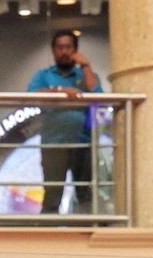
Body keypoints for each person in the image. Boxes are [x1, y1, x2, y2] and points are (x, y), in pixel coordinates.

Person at [26, 31, 101, 216]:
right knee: (52, 196)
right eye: (59, 47)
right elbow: (31, 96)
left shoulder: (85, 74)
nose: (64, 52)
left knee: (86, 194)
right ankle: (46, 240)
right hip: (53, 144)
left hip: (83, 144)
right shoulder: (44, 75)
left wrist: (85, 65)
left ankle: (88, 236)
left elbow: (98, 95)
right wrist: (61, 91)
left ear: (75, 50)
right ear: (53, 51)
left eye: (68, 47)